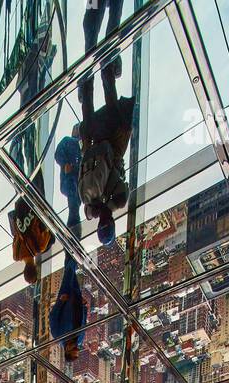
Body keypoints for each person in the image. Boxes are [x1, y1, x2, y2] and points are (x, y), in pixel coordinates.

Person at [77, 60, 134, 248]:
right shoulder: (90, 209)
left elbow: (121, 180)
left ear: (112, 224)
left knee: (116, 113)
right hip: (91, 144)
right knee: (88, 113)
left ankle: (107, 69)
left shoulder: (119, 200)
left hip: (110, 145)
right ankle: (86, 82)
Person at [8, 193, 54, 283]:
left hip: (34, 200)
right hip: (19, 207)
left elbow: (49, 230)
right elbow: (15, 236)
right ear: (24, 271)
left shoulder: (40, 246)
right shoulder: (16, 255)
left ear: (36, 268)